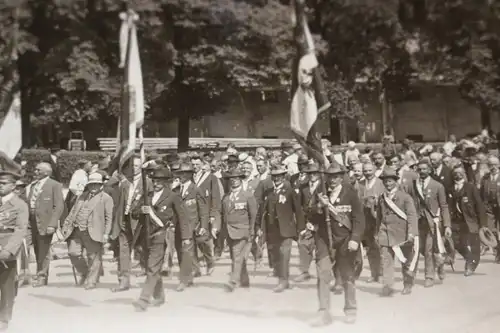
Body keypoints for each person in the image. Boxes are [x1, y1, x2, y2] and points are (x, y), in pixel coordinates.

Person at [314, 164, 365, 326]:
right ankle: (323, 311)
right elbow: (310, 215)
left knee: (347, 276)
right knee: (323, 274)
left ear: (342, 177)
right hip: (324, 239)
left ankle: (350, 309)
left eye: (336, 176)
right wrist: (320, 207)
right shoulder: (320, 192)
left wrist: (355, 239)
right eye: (330, 176)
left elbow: (359, 219)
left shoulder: (350, 194)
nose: (332, 180)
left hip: (344, 239)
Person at [133, 167, 190, 311]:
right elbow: (134, 213)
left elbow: (183, 217)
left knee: (152, 268)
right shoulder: (147, 195)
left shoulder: (172, 196)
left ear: (166, 182)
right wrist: (141, 210)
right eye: (154, 180)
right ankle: (159, 296)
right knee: (150, 267)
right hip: (144, 237)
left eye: (160, 181)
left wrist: (186, 237)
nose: (156, 183)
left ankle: (143, 299)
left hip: (160, 234)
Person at [61, 173, 113, 289]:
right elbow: (73, 212)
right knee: (73, 253)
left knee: (93, 257)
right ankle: (84, 273)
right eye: (91, 184)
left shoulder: (106, 198)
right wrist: (66, 226)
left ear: (101, 185)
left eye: (96, 184)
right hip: (76, 230)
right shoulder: (82, 196)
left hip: (94, 232)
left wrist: (106, 234)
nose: (93, 187)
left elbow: (109, 218)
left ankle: (91, 281)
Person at [257, 165, 304, 292]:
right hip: (272, 230)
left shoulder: (290, 191)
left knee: (284, 255)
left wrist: (301, 228)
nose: (276, 179)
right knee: (275, 255)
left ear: (284, 177)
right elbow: (261, 211)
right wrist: (258, 227)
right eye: (274, 176)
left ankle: (283, 281)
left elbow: (298, 211)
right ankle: (283, 279)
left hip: (286, 230)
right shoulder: (269, 192)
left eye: (279, 176)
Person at [408, 160, 452, 288]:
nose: (422, 171)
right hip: (418, 222)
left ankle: (429, 276)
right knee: (419, 249)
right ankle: (439, 263)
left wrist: (447, 225)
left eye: (424, 169)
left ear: (430, 170)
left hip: (432, 222)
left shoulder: (438, 186)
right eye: (419, 169)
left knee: (428, 250)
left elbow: (444, 206)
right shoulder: (413, 185)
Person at [377, 168, 418, 296]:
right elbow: (379, 216)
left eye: (390, 181)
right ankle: (388, 285)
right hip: (386, 234)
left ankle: (407, 284)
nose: (387, 184)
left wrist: (411, 233)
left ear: (395, 181)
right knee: (386, 261)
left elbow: (412, 216)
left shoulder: (405, 197)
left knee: (406, 261)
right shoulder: (381, 198)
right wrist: (377, 232)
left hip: (402, 234)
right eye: (385, 182)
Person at [0, 169, 29, 331]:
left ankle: (4, 318)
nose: (0, 186)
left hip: (8, 248)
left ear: (13, 186)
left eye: (3, 184)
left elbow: (20, 229)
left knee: (7, 286)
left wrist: (9, 250)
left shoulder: (20, 205)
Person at [28, 162, 64, 287]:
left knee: (44, 250)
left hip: (46, 223)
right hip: (32, 223)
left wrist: (52, 224)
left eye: (38, 170)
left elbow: (59, 206)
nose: (35, 172)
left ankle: (42, 276)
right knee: (37, 249)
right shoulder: (33, 185)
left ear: (46, 172)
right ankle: (39, 273)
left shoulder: (55, 185)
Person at [221, 169, 257, 292]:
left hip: (242, 230)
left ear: (241, 179)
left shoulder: (247, 195)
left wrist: (252, 231)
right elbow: (223, 215)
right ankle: (245, 280)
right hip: (229, 231)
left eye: (236, 178)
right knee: (236, 256)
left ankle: (233, 281)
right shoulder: (226, 197)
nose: (234, 181)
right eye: (232, 179)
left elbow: (253, 215)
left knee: (237, 256)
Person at [450, 166, 486, 275]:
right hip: (456, 221)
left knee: (474, 243)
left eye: (460, 173)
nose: (457, 175)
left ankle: (472, 265)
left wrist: (483, 223)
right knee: (456, 242)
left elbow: (479, 205)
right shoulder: (450, 188)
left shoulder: (470, 187)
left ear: (464, 174)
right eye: (455, 173)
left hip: (470, 219)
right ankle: (469, 258)